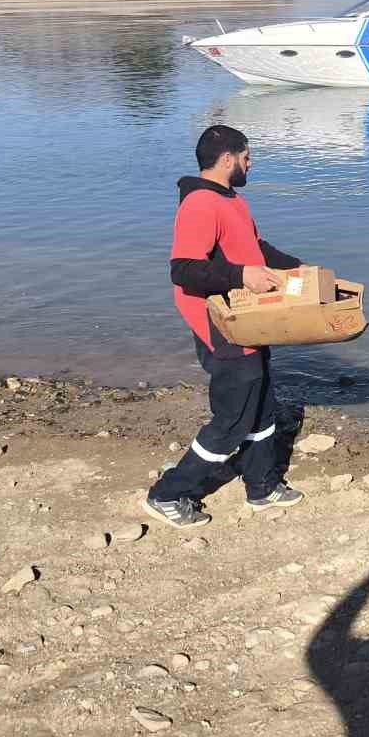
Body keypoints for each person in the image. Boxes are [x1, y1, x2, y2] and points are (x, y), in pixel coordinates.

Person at [145, 124, 307, 529]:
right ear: (229, 158)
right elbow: (184, 271)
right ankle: (167, 494)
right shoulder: (200, 204)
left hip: (249, 320)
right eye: (247, 156)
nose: (251, 163)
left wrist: (300, 269)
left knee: (265, 404)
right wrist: (241, 278)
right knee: (233, 418)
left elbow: (256, 251)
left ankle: (261, 486)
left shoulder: (232, 201)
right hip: (221, 326)